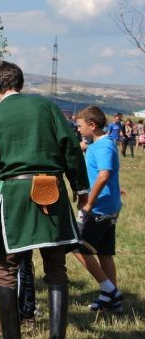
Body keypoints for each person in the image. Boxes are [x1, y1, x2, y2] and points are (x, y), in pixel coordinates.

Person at [0, 61, 90, 339]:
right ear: (21, 84)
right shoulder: (46, 107)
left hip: (15, 195)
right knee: (56, 268)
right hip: (52, 191)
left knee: (8, 269)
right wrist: (80, 186)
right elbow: (71, 147)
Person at [73, 106, 123, 313]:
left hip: (99, 208)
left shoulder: (104, 147)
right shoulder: (98, 143)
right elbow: (81, 147)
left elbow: (103, 175)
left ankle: (110, 289)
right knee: (104, 252)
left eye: (80, 125)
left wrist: (89, 204)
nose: (77, 129)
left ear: (92, 125)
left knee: (76, 246)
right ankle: (112, 301)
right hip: (107, 206)